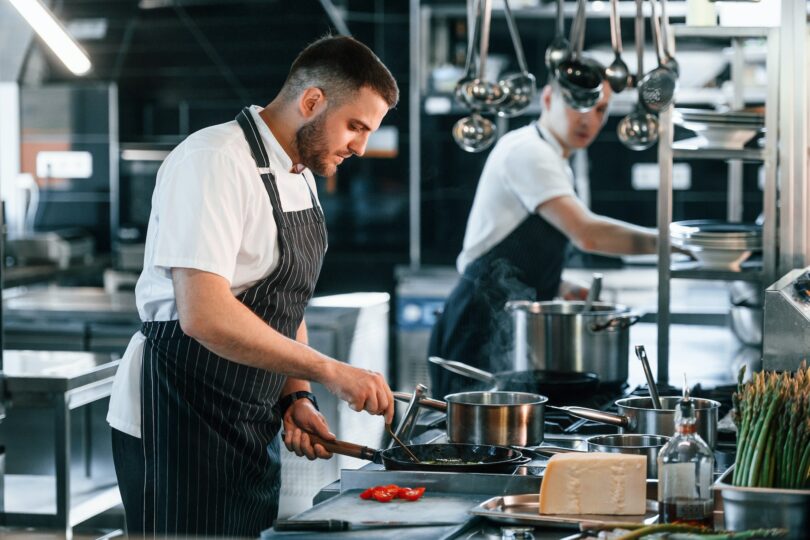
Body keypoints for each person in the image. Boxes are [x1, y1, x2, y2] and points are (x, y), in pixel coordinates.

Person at [106, 35, 399, 537]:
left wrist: (296, 397)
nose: (361, 147)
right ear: (312, 101)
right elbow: (205, 315)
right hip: (178, 416)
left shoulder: (300, 174)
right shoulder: (215, 160)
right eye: (355, 126)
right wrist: (332, 371)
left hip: (248, 420)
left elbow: (285, 302)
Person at [428, 79, 659, 399]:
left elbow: (516, 251)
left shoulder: (553, 158)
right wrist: (671, 243)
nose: (587, 118)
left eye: (601, 109)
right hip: (477, 327)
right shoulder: (528, 151)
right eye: (577, 104)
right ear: (548, 98)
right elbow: (588, 234)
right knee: (468, 442)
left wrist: (558, 284)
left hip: (505, 328)